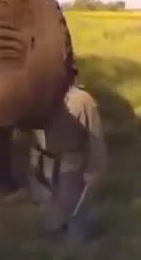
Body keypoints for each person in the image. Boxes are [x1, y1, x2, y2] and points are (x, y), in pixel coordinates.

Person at [27, 83, 108, 247]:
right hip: (42, 161)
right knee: (46, 202)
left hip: (70, 162)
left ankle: (78, 244)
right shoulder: (36, 93)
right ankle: (53, 237)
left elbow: (95, 137)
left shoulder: (83, 100)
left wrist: (94, 167)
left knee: (74, 206)